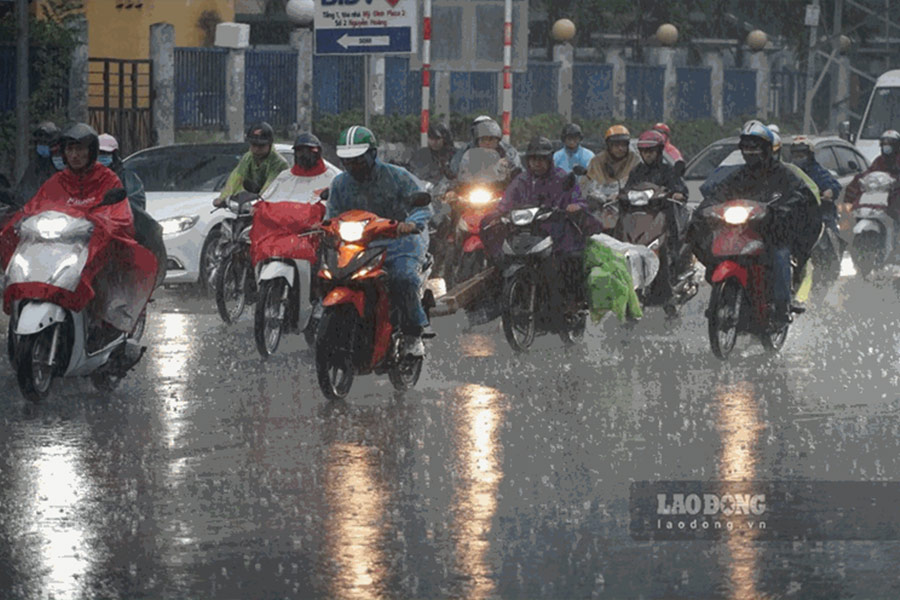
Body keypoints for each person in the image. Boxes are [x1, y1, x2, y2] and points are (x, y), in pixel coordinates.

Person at [1, 123, 158, 354]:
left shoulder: (108, 180)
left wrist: (102, 222)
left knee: (98, 274)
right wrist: (21, 220)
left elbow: (119, 213)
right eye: (70, 150)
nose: (75, 155)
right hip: (60, 247)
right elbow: (35, 206)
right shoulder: (56, 181)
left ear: (91, 151)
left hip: (95, 248)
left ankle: (102, 326)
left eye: (80, 150)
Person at [688, 121, 820, 326]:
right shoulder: (738, 176)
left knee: (780, 256)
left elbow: (801, 196)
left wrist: (783, 209)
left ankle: (781, 309)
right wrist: (707, 209)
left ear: (767, 149)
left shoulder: (784, 175)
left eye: (755, 147)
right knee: (712, 246)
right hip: (741, 233)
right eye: (747, 147)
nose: (751, 152)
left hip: (773, 233)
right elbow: (718, 193)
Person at [325, 125, 433, 358]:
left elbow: (422, 205)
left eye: (358, 159)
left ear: (372, 154)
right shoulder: (339, 184)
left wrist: (411, 223)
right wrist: (322, 228)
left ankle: (413, 334)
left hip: (400, 241)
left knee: (403, 278)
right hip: (359, 245)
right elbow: (330, 216)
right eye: (348, 161)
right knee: (327, 274)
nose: (353, 166)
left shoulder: (397, 176)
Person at [486, 136, 600, 313]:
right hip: (526, 232)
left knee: (570, 259)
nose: (537, 164)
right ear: (528, 161)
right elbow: (506, 202)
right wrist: (497, 214)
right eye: (533, 159)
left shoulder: (563, 178)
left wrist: (574, 206)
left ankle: (571, 303)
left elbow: (578, 200)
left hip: (557, 232)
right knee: (502, 258)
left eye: (541, 159)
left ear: (549, 160)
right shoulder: (521, 180)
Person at [625, 129, 691, 272]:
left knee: (671, 212)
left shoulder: (668, 170)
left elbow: (680, 188)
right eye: (644, 151)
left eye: (651, 151)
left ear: (659, 151)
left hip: (660, 212)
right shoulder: (636, 171)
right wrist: (618, 195)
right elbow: (628, 188)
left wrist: (677, 194)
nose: (648, 154)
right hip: (639, 214)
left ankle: (673, 251)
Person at [214, 121, 289, 207]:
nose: (256, 149)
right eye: (254, 145)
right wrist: (223, 198)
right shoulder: (248, 157)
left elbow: (269, 188)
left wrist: (258, 202)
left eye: (261, 146)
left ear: (270, 144)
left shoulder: (279, 163)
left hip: (275, 205)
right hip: (254, 203)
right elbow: (236, 178)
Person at [844, 129, 900, 221]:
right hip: (880, 194)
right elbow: (869, 172)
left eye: (890, 144)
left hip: (894, 195)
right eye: (884, 144)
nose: (887, 146)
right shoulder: (879, 160)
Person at [450, 116, 521, 176]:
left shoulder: (506, 149)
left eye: (491, 139)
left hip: (501, 186)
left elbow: (516, 164)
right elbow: (455, 165)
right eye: (483, 139)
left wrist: (508, 166)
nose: (487, 142)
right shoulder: (467, 149)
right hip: (473, 186)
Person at [12, 121, 61, 208]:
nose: (43, 141)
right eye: (40, 142)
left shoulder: (63, 164)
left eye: (46, 141)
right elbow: (23, 193)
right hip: (34, 213)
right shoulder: (34, 166)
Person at [98, 133, 147, 211]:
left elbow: (137, 205)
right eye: (99, 153)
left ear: (114, 155)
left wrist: (115, 202)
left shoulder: (127, 178)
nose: (101, 157)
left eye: (106, 153)